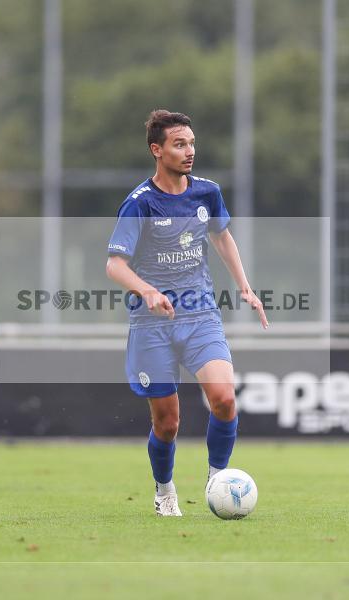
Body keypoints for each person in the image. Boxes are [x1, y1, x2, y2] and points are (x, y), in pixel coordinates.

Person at [105, 109, 268, 516]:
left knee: (224, 400)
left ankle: (218, 480)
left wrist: (245, 287)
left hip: (201, 316)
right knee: (167, 423)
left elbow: (222, 237)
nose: (189, 151)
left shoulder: (207, 192)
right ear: (157, 150)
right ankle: (165, 491)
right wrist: (147, 291)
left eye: (192, 143)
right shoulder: (140, 204)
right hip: (152, 325)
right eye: (180, 144)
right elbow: (115, 265)